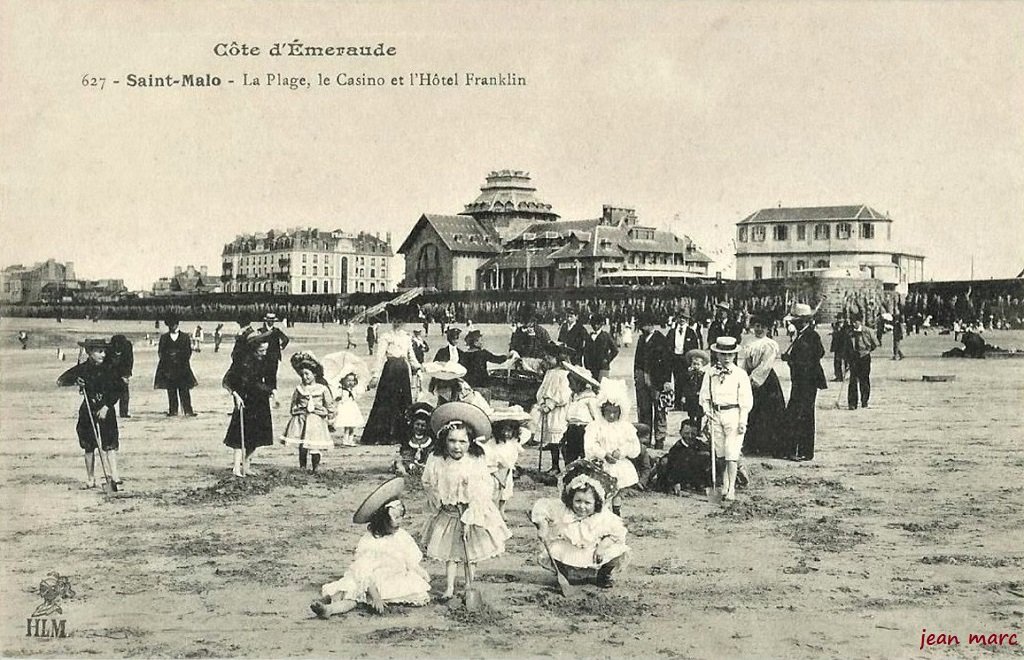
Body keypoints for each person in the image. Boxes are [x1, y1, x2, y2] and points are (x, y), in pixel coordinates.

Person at [421, 402, 510, 602]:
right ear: (444, 441)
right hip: (449, 511)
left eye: (462, 441)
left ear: (471, 442)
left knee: (472, 550)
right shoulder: (436, 459)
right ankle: (450, 587)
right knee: (451, 550)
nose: (457, 446)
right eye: (452, 441)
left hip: (472, 511)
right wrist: (438, 499)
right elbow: (427, 482)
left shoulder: (476, 460)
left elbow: (484, 487)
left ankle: (470, 583)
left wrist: (472, 512)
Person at [310, 477, 431, 618]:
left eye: (401, 518)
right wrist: (375, 596)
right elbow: (364, 571)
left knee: (416, 590)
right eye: (395, 519)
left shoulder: (401, 535)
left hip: (393, 577)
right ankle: (329, 608)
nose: (400, 522)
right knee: (351, 591)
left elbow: (409, 557)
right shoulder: (371, 542)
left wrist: (418, 570)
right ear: (381, 520)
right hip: (371, 581)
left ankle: (329, 604)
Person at [530, 460, 630, 589]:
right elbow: (542, 509)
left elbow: (617, 533)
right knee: (554, 550)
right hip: (569, 549)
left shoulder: (602, 516)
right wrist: (542, 527)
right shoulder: (563, 510)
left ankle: (603, 575)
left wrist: (602, 547)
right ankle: (564, 574)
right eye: (577, 501)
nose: (581, 507)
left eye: (587, 503)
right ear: (571, 499)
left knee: (617, 549)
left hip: (594, 550)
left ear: (597, 503)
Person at [56, 339, 123, 488]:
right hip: (88, 407)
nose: (103, 354)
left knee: (109, 443)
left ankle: (114, 476)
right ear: (89, 352)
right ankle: (91, 478)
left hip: (106, 407)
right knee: (88, 444)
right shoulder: (83, 369)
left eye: (104, 351)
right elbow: (61, 380)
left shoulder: (110, 368)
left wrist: (107, 406)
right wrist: (76, 381)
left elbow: (118, 389)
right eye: (99, 351)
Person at [700, 337, 753, 502]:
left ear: (734, 355)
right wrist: (707, 411)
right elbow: (705, 395)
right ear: (717, 354)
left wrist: (742, 420)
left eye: (729, 355)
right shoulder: (710, 373)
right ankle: (723, 484)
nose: (726, 358)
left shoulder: (740, 374)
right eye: (723, 354)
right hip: (716, 414)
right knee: (721, 453)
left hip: (733, 414)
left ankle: (731, 488)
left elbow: (746, 400)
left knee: (732, 453)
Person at [584, 379, 641, 516]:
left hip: (618, 464)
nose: (611, 415)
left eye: (615, 412)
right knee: (600, 491)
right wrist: (603, 454)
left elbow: (634, 446)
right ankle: (600, 513)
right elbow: (590, 444)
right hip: (600, 463)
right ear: (602, 410)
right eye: (608, 411)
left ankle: (616, 513)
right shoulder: (595, 426)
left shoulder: (625, 427)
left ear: (620, 411)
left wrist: (621, 452)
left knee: (616, 491)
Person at [780, 303, 827, 462]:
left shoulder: (811, 336)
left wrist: (793, 360)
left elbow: (818, 353)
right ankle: (796, 449)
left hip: (807, 381)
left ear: (803, 321)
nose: (793, 322)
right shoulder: (802, 334)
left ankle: (804, 451)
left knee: (803, 414)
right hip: (801, 381)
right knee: (797, 413)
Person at [223, 337, 275, 477]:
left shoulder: (265, 361)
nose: (264, 353)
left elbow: (268, 380)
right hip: (245, 401)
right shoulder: (242, 362)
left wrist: (272, 391)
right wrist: (236, 395)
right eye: (261, 351)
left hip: (260, 402)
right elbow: (227, 380)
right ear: (254, 349)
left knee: (256, 436)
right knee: (240, 436)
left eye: (266, 350)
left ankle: (246, 467)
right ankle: (236, 468)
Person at [364, 319, 421, 445]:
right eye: (395, 320)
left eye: (400, 321)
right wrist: (375, 375)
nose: (397, 323)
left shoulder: (407, 337)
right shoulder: (386, 336)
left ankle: (401, 435)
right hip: (390, 370)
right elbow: (379, 356)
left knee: (403, 402)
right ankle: (383, 436)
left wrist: (419, 367)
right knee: (387, 401)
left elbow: (411, 355)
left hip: (403, 370)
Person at [280, 352, 337, 473]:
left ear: (315, 374)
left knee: (315, 445)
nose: (305, 377)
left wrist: (329, 416)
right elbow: (293, 403)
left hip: (316, 421)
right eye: (302, 375)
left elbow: (330, 405)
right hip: (302, 419)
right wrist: (297, 410)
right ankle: (303, 467)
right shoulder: (299, 389)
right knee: (302, 444)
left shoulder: (322, 389)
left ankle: (315, 467)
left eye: (307, 374)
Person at [741, 315, 786, 457]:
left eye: (762, 327)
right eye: (757, 326)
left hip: (765, 381)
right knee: (751, 411)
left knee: (767, 412)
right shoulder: (748, 342)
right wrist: (742, 376)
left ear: (768, 329)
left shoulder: (770, 344)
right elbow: (745, 362)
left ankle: (768, 446)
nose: (759, 329)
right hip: (749, 377)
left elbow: (766, 364)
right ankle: (751, 445)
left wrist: (753, 379)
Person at [483, 406, 531, 516]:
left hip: (507, 470)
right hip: (494, 471)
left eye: (509, 431)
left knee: (506, 491)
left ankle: (502, 509)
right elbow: (490, 460)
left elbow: (526, 432)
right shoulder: (493, 443)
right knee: (494, 492)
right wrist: (498, 476)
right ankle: (493, 511)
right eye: (503, 430)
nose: (506, 434)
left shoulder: (514, 441)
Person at [633, 313, 671, 448]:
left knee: (659, 410)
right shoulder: (642, 339)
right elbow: (637, 361)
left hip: (657, 381)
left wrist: (666, 381)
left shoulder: (661, 340)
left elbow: (667, 362)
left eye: (643, 325)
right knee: (644, 410)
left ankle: (660, 439)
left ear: (650, 325)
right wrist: (637, 377)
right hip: (642, 380)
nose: (641, 328)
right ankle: (645, 439)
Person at [534, 344, 572, 474]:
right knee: (551, 440)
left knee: (560, 439)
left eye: (550, 358)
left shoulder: (564, 374)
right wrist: (542, 401)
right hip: (548, 410)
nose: (547, 360)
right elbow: (543, 390)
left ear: (558, 358)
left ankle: (568, 467)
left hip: (558, 412)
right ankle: (555, 466)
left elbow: (563, 394)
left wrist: (551, 403)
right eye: (546, 358)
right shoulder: (549, 373)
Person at [651, 419, 712, 495]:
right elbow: (671, 468)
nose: (690, 436)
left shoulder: (700, 445)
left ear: (697, 433)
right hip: (679, 478)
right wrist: (675, 483)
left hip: (695, 478)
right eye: (686, 433)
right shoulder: (676, 449)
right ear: (681, 433)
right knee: (665, 461)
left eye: (693, 434)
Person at [154, 316, 197, 417]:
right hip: (168, 368)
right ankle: (173, 410)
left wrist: (179, 358)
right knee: (171, 389)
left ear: (177, 324)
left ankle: (188, 410)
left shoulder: (185, 337)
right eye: (169, 325)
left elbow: (188, 352)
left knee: (184, 389)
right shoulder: (164, 337)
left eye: (172, 325)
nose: (171, 327)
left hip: (182, 367)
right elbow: (160, 352)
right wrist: (167, 360)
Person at [562, 363, 601, 465]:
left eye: (571, 383)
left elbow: (596, 417)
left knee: (585, 454)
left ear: (579, 383)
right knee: (570, 454)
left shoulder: (590, 398)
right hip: (572, 429)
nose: (569, 386)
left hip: (584, 429)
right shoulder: (573, 397)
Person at [460, 329, 516, 399]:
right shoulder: (483, 353)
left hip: (469, 385)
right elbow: (497, 359)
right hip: (482, 384)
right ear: (475, 343)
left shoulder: (464, 355)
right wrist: (507, 356)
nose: (482, 342)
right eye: (481, 340)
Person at [669, 311, 702, 410]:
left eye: (684, 318)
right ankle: (677, 404)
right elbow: (668, 345)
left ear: (687, 320)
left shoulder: (690, 332)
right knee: (676, 380)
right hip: (675, 359)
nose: (682, 320)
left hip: (686, 359)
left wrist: (693, 360)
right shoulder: (672, 331)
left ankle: (687, 404)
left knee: (687, 381)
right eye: (680, 317)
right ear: (677, 319)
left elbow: (695, 347)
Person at [843, 317, 878, 411]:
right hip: (853, 358)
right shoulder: (849, 332)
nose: (854, 324)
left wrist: (867, 351)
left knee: (864, 379)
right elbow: (846, 346)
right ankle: (852, 403)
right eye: (852, 322)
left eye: (855, 322)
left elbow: (875, 343)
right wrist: (847, 360)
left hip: (864, 357)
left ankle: (864, 401)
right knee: (853, 380)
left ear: (860, 322)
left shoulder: (868, 331)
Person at [394, 402, 435, 476]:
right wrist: (411, 465)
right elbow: (406, 455)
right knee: (399, 462)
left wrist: (424, 465)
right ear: (413, 424)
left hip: (426, 465)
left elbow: (431, 455)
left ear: (427, 427)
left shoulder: (430, 441)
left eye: (423, 426)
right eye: (417, 424)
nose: (419, 428)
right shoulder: (409, 440)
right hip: (410, 463)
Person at [259, 312, 290, 402]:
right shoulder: (261, 331)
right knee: (262, 373)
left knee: (272, 374)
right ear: (266, 321)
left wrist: (281, 346)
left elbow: (286, 339)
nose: (271, 322)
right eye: (269, 320)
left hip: (273, 357)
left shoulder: (276, 331)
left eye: (272, 321)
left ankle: (272, 391)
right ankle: (264, 390)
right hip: (263, 356)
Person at [332, 369, 364, 448]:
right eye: (348, 380)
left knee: (352, 426)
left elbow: (357, 397)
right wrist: (338, 398)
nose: (350, 382)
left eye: (352, 380)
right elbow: (336, 398)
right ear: (343, 381)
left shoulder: (354, 390)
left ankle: (351, 440)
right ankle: (345, 440)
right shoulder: (341, 390)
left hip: (352, 408)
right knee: (347, 426)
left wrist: (356, 393)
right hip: (345, 408)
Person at [582, 314, 618, 382]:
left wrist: (607, 360)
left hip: (603, 368)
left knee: (602, 387)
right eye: (593, 324)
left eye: (598, 324)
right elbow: (586, 351)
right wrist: (586, 363)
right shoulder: (589, 337)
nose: (595, 326)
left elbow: (615, 350)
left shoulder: (606, 336)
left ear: (601, 324)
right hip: (591, 367)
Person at [680, 349, 709, 429]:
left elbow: (705, 385)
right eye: (694, 364)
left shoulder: (703, 375)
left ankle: (698, 429)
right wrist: (684, 396)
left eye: (698, 364)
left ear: (702, 365)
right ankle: (692, 427)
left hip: (699, 397)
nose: (696, 366)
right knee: (691, 413)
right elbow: (685, 386)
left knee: (699, 414)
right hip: (691, 397)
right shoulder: (689, 375)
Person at [107, 334, 134, 419]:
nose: (117, 346)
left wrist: (125, 375)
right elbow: (107, 365)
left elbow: (129, 362)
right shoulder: (109, 349)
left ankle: (124, 412)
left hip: (123, 371)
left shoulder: (127, 348)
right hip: (111, 372)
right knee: (110, 392)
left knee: (124, 393)